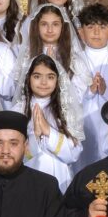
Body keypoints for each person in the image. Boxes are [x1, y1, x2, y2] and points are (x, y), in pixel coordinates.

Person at [12, 54, 84, 192]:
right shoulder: (17, 110)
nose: (44, 82)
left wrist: (49, 132)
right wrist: (34, 137)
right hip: (27, 178)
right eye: (37, 76)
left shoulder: (66, 111)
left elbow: (75, 154)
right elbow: (12, 153)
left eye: (50, 77)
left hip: (60, 178)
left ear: (58, 80)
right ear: (28, 78)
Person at [77, 4, 108, 169]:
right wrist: (89, 91)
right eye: (90, 27)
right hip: (83, 123)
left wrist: (105, 91)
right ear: (81, 33)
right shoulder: (73, 61)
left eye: (102, 27)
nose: (96, 32)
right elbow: (68, 96)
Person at [20, 3, 93, 99]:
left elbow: (77, 98)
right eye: (44, 24)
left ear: (62, 27)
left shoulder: (75, 61)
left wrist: (56, 68)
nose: (50, 30)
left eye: (55, 24)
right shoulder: (26, 58)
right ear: (37, 27)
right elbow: (21, 93)